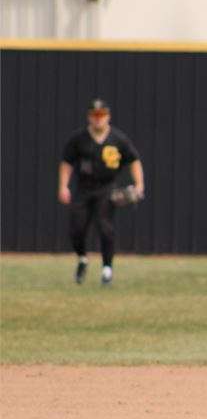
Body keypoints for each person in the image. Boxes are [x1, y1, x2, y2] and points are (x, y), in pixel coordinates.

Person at [58, 98, 145, 286]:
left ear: (108, 116)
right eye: (95, 115)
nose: (98, 119)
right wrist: (63, 186)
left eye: (102, 115)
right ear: (89, 117)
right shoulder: (79, 139)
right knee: (77, 229)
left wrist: (139, 185)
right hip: (84, 189)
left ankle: (107, 270)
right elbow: (67, 162)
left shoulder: (118, 139)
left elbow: (134, 160)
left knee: (105, 228)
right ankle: (82, 258)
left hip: (107, 188)